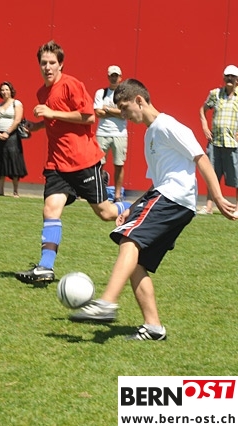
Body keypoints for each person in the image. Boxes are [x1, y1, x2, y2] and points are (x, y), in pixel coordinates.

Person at [70, 78, 236, 340]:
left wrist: (216, 196)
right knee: (137, 263)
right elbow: (157, 182)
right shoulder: (150, 134)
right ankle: (154, 327)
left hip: (173, 198)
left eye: (125, 108)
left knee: (129, 240)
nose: (123, 115)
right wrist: (132, 209)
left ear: (139, 100)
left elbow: (201, 158)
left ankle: (107, 302)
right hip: (170, 199)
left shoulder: (168, 125)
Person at [15, 40, 130, 286]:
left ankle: (138, 208)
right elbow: (53, 121)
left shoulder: (71, 85)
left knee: (106, 213)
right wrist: (36, 126)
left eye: (52, 63)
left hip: (83, 162)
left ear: (61, 64)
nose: (47, 67)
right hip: (56, 164)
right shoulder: (42, 92)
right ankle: (45, 267)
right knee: (50, 209)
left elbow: (88, 117)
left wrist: (51, 113)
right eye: (43, 63)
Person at [198, 65, 238, 214]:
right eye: (227, 76)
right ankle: (208, 207)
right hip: (215, 142)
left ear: (237, 79)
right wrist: (204, 126)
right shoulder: (215, 94)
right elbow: (202, 109)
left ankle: (237, 208)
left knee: (236, 176)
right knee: (212, 174)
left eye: (232, 76)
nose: (229, 78)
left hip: (233, 144)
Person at [94, 65, 128, 202]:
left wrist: (107, 109)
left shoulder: (125, 95)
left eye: (116, 76)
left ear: (120, 77)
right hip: (102, 133)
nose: (114, 78)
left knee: (119, 165)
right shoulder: (101, 93)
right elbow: (98, 112)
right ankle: (98, 192)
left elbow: (125, 114)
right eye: (111, 76)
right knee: (98, 165)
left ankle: (117, 196)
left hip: (120, 134)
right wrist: (117, 112)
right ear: (108, 77)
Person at [0, 81, 27, 197]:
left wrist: (7, 132)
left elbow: (17, 120)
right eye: (2, 90)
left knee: (13, 161)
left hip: (12, 137)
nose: (4, 92)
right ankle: (0, 190)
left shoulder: (16, 103)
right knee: (0, 161)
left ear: (11, 91)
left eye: (6, 89)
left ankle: (15, 191)